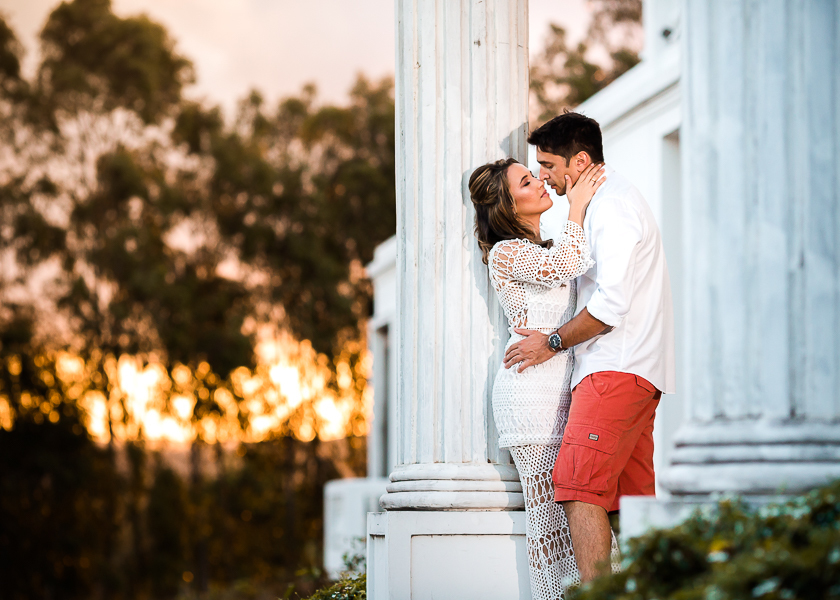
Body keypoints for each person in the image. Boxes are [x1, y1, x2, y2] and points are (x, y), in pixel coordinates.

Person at [503, 112, 676, 582]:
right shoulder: (601, 204)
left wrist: (552, 343)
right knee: (631, 505)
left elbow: (609, 307)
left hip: (615, 370)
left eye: (547, 165)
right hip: (633, 372)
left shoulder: (613, 208)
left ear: (579, 162)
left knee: (577, 489)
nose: (543, 176)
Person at [469, 156, 609, 600]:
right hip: (528, 396)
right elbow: (569, 263)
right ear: (509, 206)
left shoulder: (541, 245)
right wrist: (578, 206)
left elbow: (568, 262)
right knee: (549, 522)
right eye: (527, 182)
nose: (539, 182)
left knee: (579, 507)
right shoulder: (508, 252)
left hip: (560, 390)